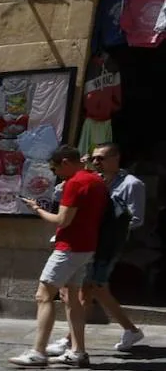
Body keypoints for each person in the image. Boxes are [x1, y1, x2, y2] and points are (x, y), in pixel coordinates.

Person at [10, 145, 108, 367]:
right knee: (72, 298)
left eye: (56, 169)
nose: (56, 174)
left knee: (44, 295)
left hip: (69, 247)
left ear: (65, 162)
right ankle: (78, 351)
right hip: (86, 247)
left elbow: (62, 220)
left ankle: (38, 351)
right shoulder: (96, 181)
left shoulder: (75, 183)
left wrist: (37, 209)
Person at [47, 143, 147, 355]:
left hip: (107, 245)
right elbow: (59, 196)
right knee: (97, 289)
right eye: (93, 158)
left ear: (116, 158)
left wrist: (109, 225)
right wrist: (79, 173)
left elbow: (136, 219)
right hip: (87, 243)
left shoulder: (132, 184)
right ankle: (131, 330)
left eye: (101, 158)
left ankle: (70, 342)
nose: (96, 162)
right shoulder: (92, 179)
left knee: (87, 291)